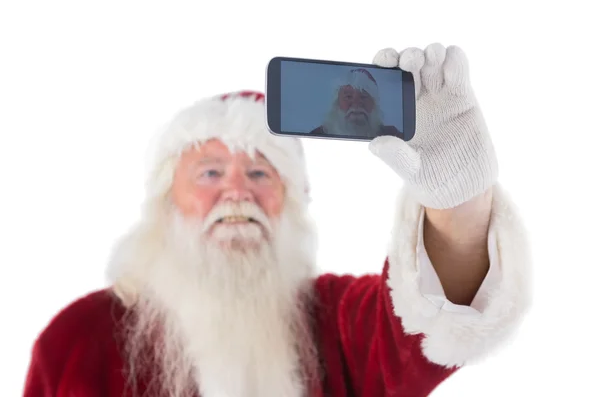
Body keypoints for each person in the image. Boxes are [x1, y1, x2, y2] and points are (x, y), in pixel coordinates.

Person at [23, 43, 531, 397]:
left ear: (290, 202)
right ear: (167, 200)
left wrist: (457, 197)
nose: (237, 191)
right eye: (211, 171)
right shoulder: (77, 341)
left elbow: (416, 329)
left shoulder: (331, 321)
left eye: (261, 172)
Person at [310, 67, 402, 138]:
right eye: (348, 97)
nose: (356, 104)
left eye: (363, 97)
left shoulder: (392, 137)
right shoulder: (316, 137)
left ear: (374, 104)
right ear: (337, 103)